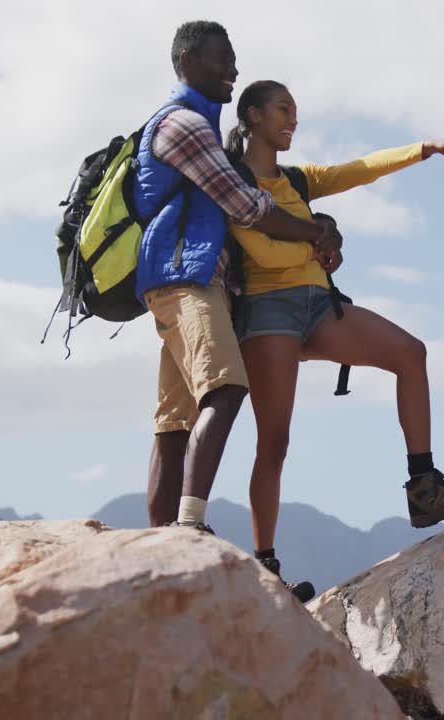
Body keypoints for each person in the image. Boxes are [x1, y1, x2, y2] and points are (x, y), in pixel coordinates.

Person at [224, 80, 444, 589]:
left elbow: (360, 169)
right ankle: (265, 566)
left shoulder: (297, 181)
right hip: (267, 313)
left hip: (319, 306)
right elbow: (266, 254)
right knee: (274, 442)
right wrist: (318, 240)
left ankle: (425, 488)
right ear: (254, 115)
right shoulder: (232, 180)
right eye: (284, 109)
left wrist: (427, 149)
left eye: (296, 112)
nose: (293, 120)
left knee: (410, 354)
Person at [135, 22, 340, 601]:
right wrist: (314, 231)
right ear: (188, 58)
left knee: (174, 422)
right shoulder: (184, 125)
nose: (234, 69)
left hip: (187, 280)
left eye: (236, 59)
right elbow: (245, 205)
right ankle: (190, 524)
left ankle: (159, 549)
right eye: (224, 59)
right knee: (225, 389)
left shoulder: (198, 124)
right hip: (185, 279)